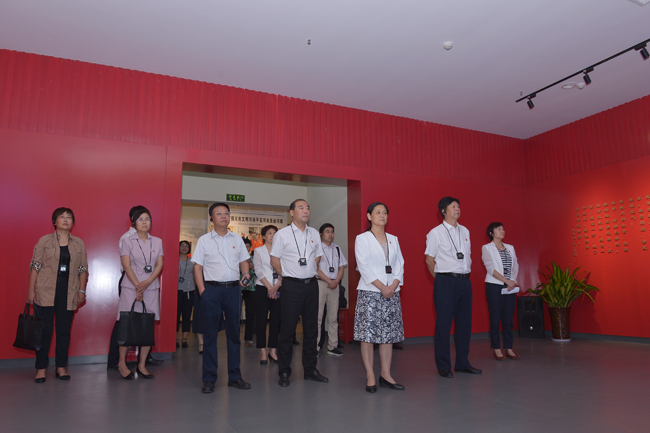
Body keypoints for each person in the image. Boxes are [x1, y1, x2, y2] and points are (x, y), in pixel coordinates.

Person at [192, 203, 252, 393]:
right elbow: (197, 267)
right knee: (210, 336)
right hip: (211, 291)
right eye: (219, 213)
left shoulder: (237, 239)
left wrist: (246, 273)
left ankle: (235, 376)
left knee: (234, 335)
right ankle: (209, 378)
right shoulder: (204, 240)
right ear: (212, 218)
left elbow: (244, 261)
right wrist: (203, 292)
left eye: (226, 213)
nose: (224, 216)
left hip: (233, 290)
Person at [270, 199, 327, 387]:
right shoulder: (282, 234)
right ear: (292, 213)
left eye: (308, 208)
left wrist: (307, 271)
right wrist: (287, 274)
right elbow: (274, 260)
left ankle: (310, 369)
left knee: (311, 330)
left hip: (311, 286)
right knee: (287, 330)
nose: (306, 210)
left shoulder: (314, 233)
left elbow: (317, 257)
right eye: (301, 208)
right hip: (291, 287)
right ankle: (284, 371)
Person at [27, 207, 88, 383]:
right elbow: (35, 266)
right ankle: (41, 368)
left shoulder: (79, 243)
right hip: (45, 290)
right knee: (44, 332)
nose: (66, 219)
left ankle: (61, 367)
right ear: (54, 221)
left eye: (69, 217)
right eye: (62, 217)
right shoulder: (44, 241)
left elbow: (83, 269)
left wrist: (81, 290)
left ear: (73, 222)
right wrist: (31, 290)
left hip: (68, 292)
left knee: (63, 331)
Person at [425, 197, 481, 379]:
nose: (458, 209)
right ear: (444, 211)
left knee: (464, 324)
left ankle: (463, 363)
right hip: (446, 282)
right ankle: (443, 366)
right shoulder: (435, 233)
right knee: (443, 324)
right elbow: (429, 260)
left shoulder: (465, 230)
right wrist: (441, 280)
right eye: (453, 206)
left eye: (458, 206)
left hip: (465, 281)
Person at [354, 202, 405, 393]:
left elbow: (400, 264)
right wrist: (383, 287)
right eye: (377, 212)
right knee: (368, 336)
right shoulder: (362, 238)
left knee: (388, 336)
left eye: (384, 212)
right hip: (370, 292)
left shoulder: (393, 239)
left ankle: (386, 374)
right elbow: (363, 266)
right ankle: (370, 375)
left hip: (392, 292)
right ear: (369, 216)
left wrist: (393, 285)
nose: (382, 215)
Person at [107, 206, 164, 370]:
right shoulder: (127, 240)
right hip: (131, 286)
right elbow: (126, 265)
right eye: (140, 219)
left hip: (151, 287)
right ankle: (121, 363)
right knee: (126, 324)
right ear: (134, 222)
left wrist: (147, 282)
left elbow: (159, 264)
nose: (144, 222)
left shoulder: (157, 241)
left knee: (147, 326)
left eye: (147, 219)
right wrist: (138, 287)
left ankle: (142, 365)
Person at [482, 222, 520, 360]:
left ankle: (509, 348)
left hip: (510, 287)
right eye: (498, 229)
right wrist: (506, 281)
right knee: (495, 318)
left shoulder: (510, 247)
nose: (502, 231)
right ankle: (497, 349)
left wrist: (512, 281)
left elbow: (515, 265)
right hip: (494, 286)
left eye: (503, 229)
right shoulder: (487, 248)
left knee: (508, 319)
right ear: (491, 233)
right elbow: (491, 269)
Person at [252, 225, 282, 365]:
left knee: (276, 321)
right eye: (269, 233)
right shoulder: (258, 251)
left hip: (278, 288)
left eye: (275, 233)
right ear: (263, 236)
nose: (272, 235)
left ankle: (273, 351)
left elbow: (285, 270)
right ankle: (263, 351)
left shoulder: (282, 251)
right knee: (261, 321)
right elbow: (258, 270)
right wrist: (270, 288)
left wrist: (276, 286)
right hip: (262, 288)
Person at [316, 223, 347, 357]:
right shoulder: (317, 248)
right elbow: (315, 268)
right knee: (318, 318)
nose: (330, 234)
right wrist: (329, 281)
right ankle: (315, 347)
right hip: (321, 284)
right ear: (321, 234)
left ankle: (332, 346)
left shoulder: (337, 249)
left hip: (335, 285)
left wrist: (336, 281)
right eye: (327, 231)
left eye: (332, 232)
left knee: (333, 317)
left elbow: (341, 267)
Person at [177, 240, 195, 349]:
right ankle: (175, 338)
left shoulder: (193, 261)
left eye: (186, 246)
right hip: (176, 291)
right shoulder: (174, 260)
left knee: (187, 315)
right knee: (176, 315)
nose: (184, 248)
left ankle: (184, 339)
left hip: (189, 291)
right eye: (182, 246)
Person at [241, 238, 256, 346]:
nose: (246, 248)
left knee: (250, 314)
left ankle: (248, 337)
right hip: (238, 288)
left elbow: (256, 271)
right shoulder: (236, 258)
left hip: (251, 289)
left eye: (248, 246)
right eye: (244, 246)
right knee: (235, 314)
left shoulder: (253, 258)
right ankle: (234, 337)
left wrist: (250, 263)